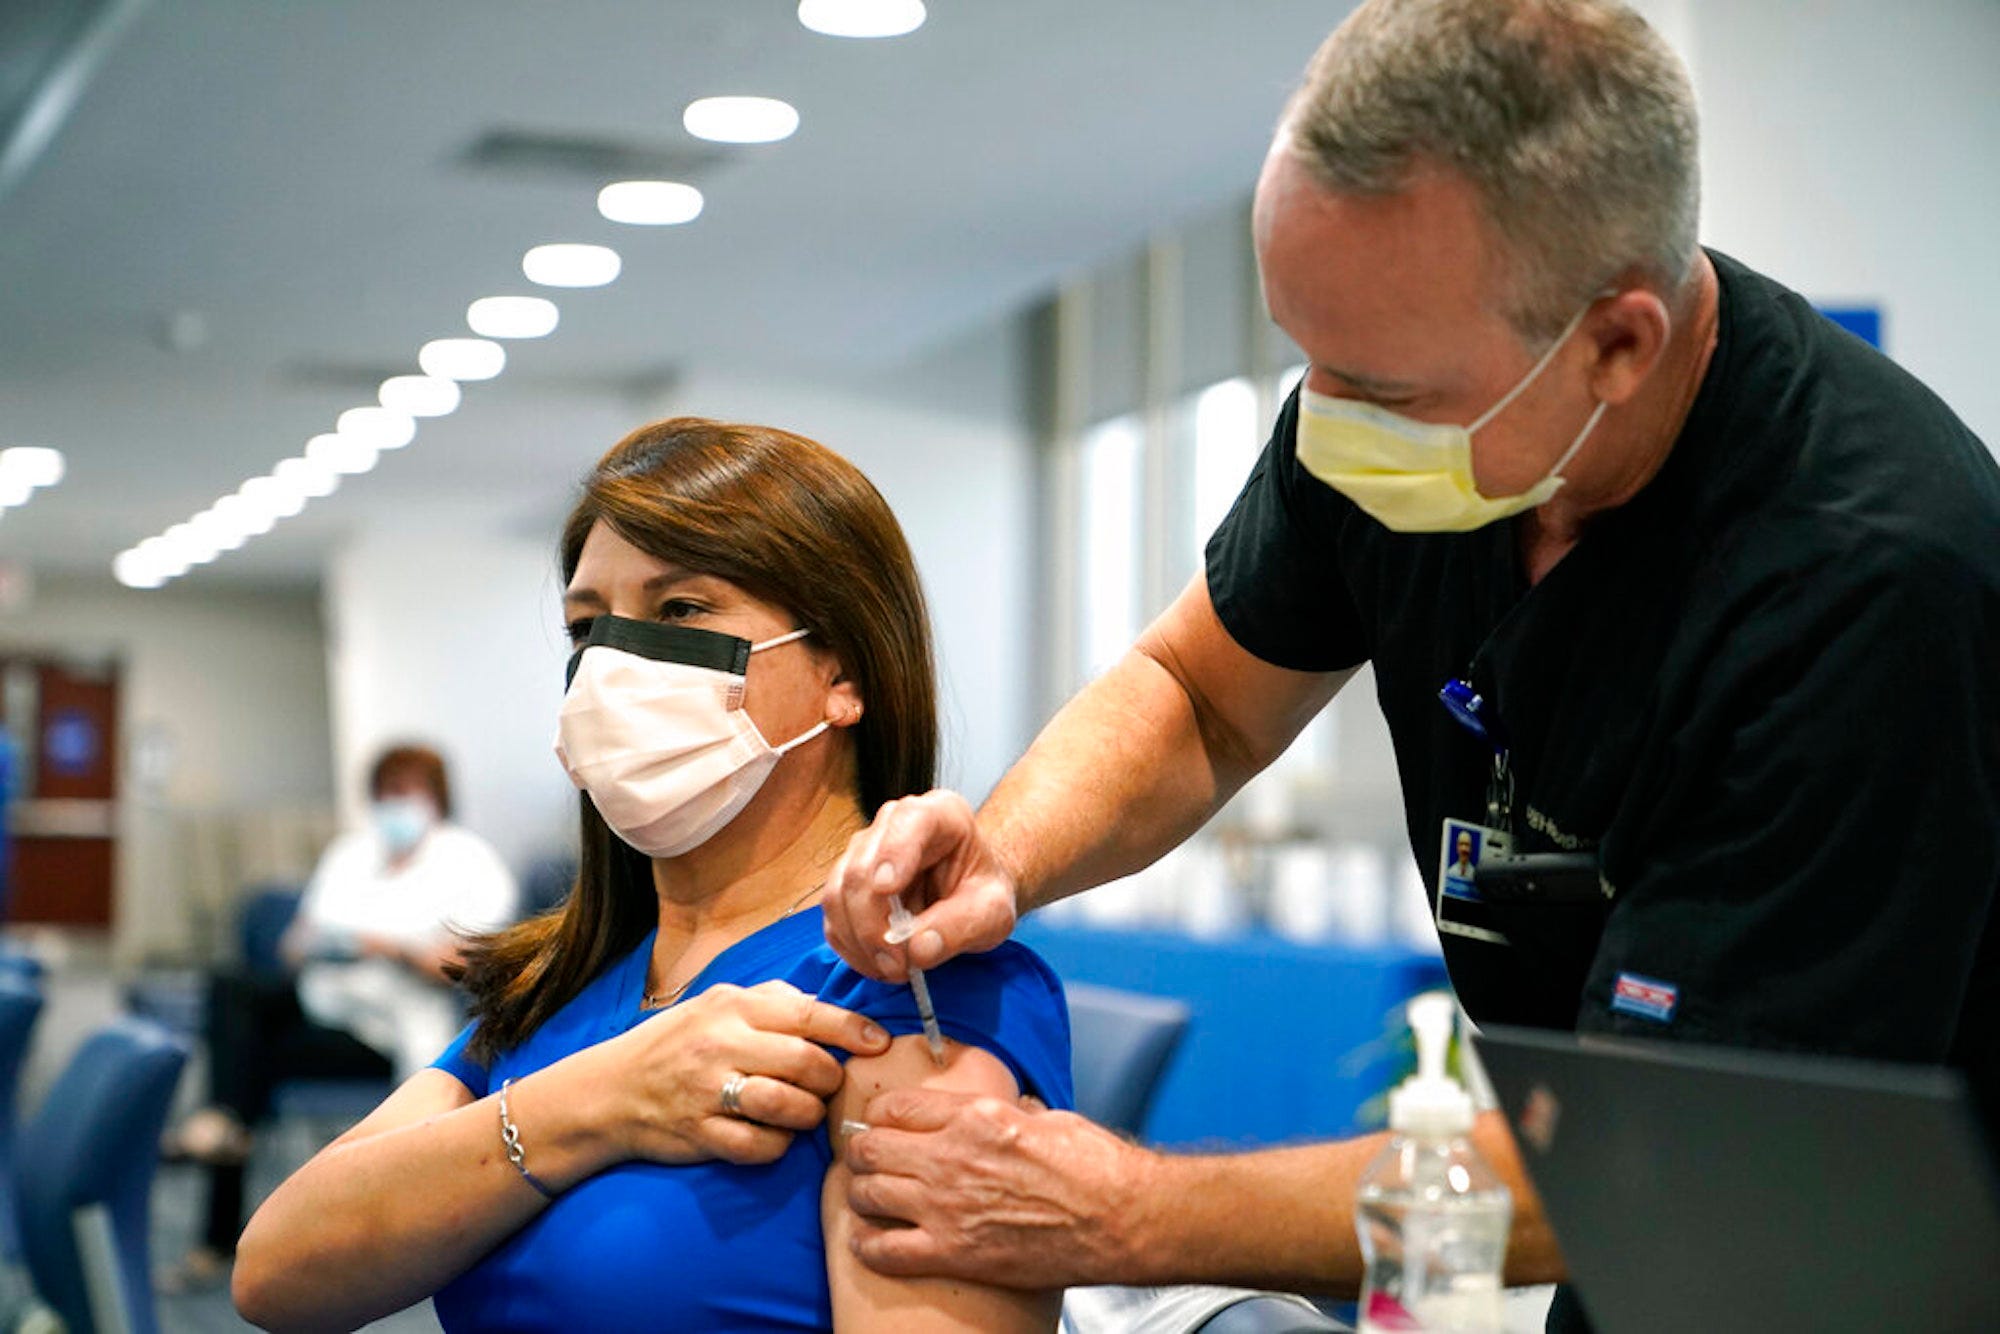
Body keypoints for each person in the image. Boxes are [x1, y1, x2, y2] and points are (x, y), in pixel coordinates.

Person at [821, 3, 2000, 1332]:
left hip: (1862, 1266)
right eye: (1305, 355)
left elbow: (1674, 1167)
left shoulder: (1868, 585)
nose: (1327, 421)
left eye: (1384, 389)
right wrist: (1008, 852)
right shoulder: (1398, 411)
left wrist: (1132, 1212)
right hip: (1636, 1228)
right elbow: (1201, 695)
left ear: (1618, 343)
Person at [233, 418, 1071, 1334]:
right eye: (588, 626)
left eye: (679, 612)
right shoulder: (565, 984)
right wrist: (604, 1098)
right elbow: (278, 1272)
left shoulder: (903, 986)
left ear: (843, 670)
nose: (614, 668)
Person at [169, 743, 517, 1284]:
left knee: (246, 1064)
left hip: (384, 1031)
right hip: (322, 1000)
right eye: (385, 793)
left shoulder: (470, 862)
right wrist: (316, 943)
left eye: (405, 792)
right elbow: (294, 941)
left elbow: (467, 964)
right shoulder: (353, 853)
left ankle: (224, 1233)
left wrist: (388, 947)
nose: (393, 805)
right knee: (232, 988)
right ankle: (225, 1129)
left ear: (435, 797)